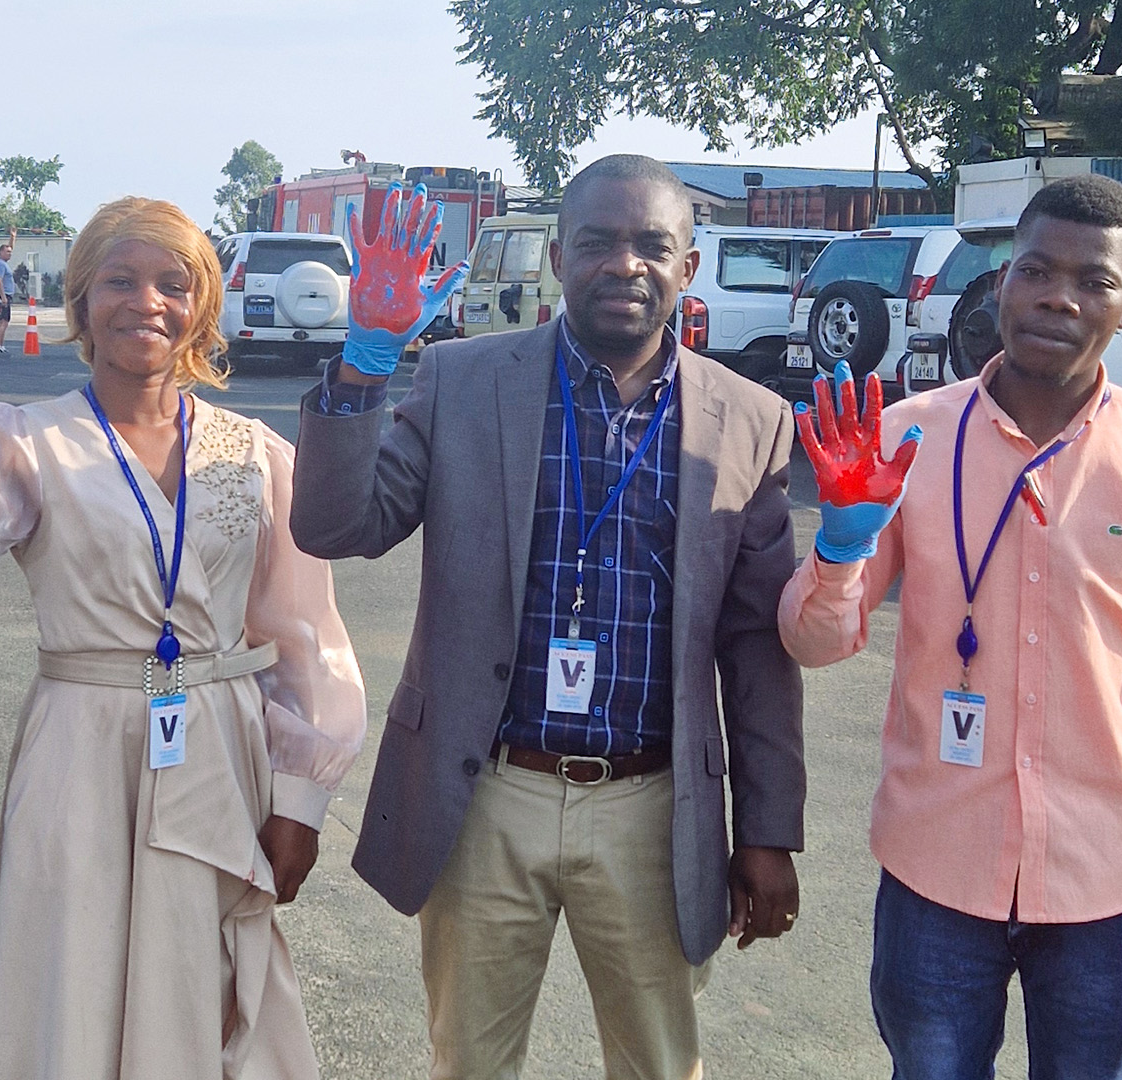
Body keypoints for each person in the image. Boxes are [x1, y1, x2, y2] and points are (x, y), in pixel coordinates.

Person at [290, 155, 806, 1080]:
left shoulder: (752, 421)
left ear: (689, 266)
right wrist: (365, 364)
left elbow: (757, 647)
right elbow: (337, 525)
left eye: (653, 245)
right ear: (559, 256)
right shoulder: (463, 381)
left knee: (659, 1066)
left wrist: (767, 829)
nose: (626, 265)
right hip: (487, 791)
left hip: (655, 806)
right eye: (600, 243)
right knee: (470, 1064)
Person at [0, 197, 366, 1080]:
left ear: (205, 302)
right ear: (80, 301)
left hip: (221, 751)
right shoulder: (23, 441)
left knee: (207, 985)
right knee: (71, 986)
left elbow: (308, 633)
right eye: (120, 280)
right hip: (78, 752)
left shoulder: (258, 452)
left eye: (173, 282)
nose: (146, 302)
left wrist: (301, 799)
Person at [779, 174, 1122, 1078]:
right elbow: (815, 643)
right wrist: (842, 543)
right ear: (1001, 281)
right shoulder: (907, 441)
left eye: (1094, 281)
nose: (1058, 296)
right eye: (1035, 269)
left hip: (1106, 890)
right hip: (936, 879)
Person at [0, 238, 16, 353]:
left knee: (5, 321)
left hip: (7, 295)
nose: (9, 254)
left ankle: (1, 344)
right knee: (3, 321)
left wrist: (13, 237)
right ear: (1, 252)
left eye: (10, 252)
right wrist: (3, 297)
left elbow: (11, 246)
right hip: (4, 294)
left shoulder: (4, 264)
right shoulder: (0, 264)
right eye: (7, 252)